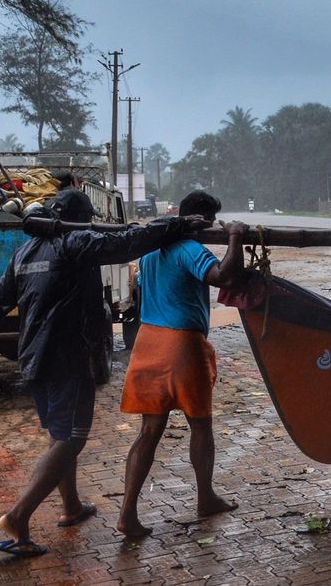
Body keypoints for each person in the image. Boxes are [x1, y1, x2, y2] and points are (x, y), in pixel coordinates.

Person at [0, 189, 207, 558]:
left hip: (35, 357)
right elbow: (128, 243)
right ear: (79, 219)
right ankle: (18, 517)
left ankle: (71, 506)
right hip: (68, 357)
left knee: (60, 435)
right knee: (71, 439)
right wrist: (177, 224)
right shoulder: (74, 243)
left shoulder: (25, 253)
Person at [116, 191, 246, 538]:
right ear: (201, 220)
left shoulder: (150, 251)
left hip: (147, 342)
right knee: (200, 425)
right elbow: (224, 277)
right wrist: (235, 236)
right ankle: (206, 497)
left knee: (149, 431)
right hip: (181, 346)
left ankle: (127, 513)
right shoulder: (190, 249)